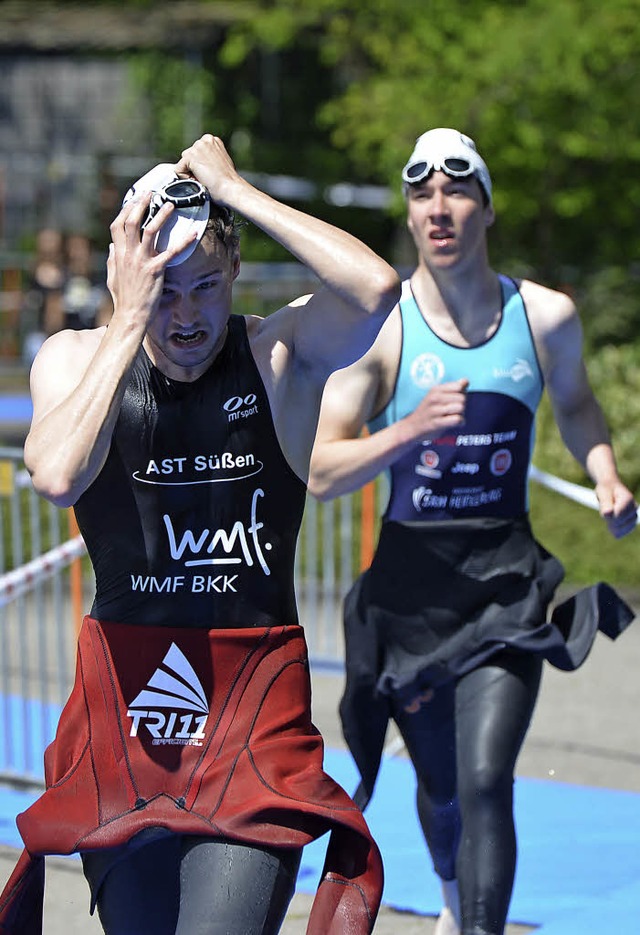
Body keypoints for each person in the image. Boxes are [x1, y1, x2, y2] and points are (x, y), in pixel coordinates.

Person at [0, 133, 401, 935]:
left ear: (235, 277)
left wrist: (237, 191)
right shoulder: (79, 359)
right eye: (165, 292)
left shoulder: (275, 354)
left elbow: (376, 288)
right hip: (127, 721)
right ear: (131, 283)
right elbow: (55, 475)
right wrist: (126, 321)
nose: (186, 317)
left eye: (205, 288)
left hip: (254, 718)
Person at [307, 127, 637, 935]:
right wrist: (407, 430)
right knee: (443, 785)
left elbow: (579, 404)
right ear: (411, 215)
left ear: (486, 211)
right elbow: (320, 471)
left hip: (505, 586)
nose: (438, 208)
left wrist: (603, 469)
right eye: (421, 195)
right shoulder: (382, 333)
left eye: (456, 193)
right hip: (410, 597)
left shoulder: (545, 316)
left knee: (488, 775)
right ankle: (454, 899)